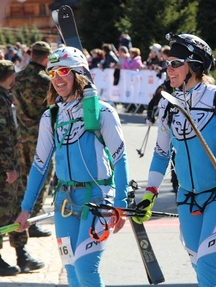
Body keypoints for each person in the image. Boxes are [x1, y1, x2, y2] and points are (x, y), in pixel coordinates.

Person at [133, 32, 216, 286]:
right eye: (167, 63)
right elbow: (161, 153)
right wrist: (149, 193)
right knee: (199, 266)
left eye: (174, 63)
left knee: (206, 264)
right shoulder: (167, 103)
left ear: (194, 66)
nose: (168, 69)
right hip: (187, 197)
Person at [15, 46, 129, 287]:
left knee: (86, 268)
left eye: (63, 71)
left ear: (78, 73)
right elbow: (39, 166)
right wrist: (26, 209)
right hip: (64, 203)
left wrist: (121, 203)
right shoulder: (51, 116)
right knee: (72, 272)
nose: (57, 79)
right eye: (52, 73)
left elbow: (120, 159)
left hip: (99, 200)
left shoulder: (104, 112)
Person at [0, 60, 44, 276]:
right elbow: (2, 137)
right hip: (4, 168)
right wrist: (8, 167)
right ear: (10, 76)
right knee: (1, 212)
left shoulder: (6, 96)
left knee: (17, 207)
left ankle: (21, 254)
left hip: (12, 165)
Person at [12, 41, 53, 239]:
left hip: (22, 136)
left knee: (22, 180)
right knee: (42, 178)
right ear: (46, 58)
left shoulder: (17, 77)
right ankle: (33, 219)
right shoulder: (46, 81)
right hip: (41, 138)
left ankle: (21, 216)